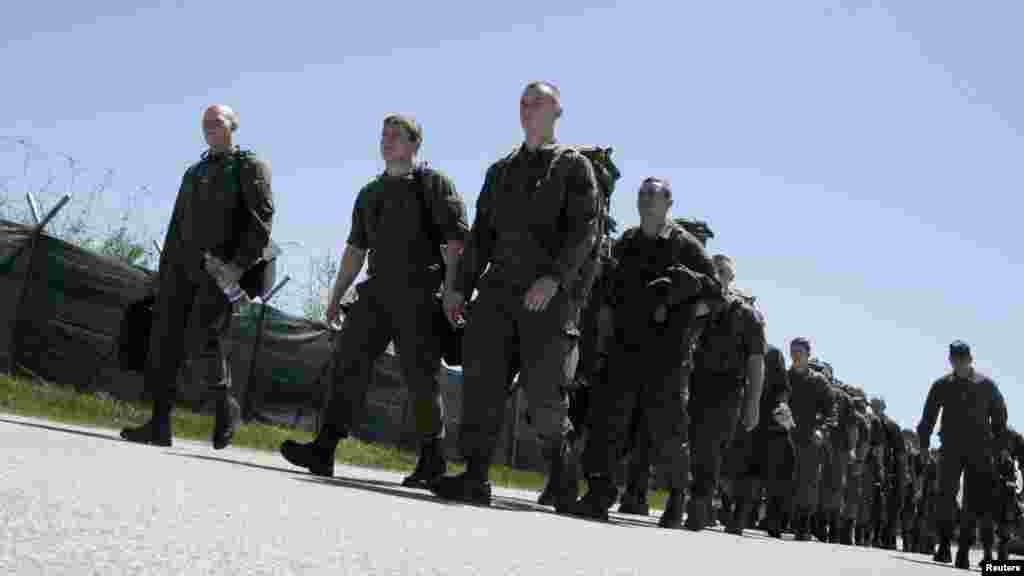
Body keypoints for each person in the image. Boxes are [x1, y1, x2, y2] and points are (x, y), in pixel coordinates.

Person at [430, 81, 599, 511]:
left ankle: (562, 477)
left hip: (546, 298)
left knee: (544, 394)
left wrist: (555, 279)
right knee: (482, 383)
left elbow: (584, 233)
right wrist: (457, 288)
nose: (526, 109)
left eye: (536, 102)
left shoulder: (574, 167)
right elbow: (481, 237)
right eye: (522, 103)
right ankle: (475, 476)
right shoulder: (501, 171)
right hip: (498, 292)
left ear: (557, 111)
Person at [279, 114, 468, 488]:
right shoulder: (370, 193)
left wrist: (450, 292)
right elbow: (355, 249)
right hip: (376, 292)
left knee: (420, 378)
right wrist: (335, 295)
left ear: (415, 144)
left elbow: (456, 245)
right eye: (384, 136)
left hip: (419, 293)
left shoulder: (433, 185)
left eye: (396, 136)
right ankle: (325, 448)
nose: (387, 141)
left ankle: (433, 459)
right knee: (347, 363)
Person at [121, 104, 275, 449]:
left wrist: (237, 267)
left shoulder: (249, 167)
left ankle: (225, 408)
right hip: (179, 269)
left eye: (217, 121)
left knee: (205, 338)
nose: (210, 127)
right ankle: (159, 425)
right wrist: (163, 274)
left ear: (234, 125)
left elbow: (261, 221)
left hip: (219, 271)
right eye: (205, 122)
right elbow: (177, 225)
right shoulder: (195, 172)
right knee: (165, 342)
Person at [687, 254, 765, 531]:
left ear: (731, 278)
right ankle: (698, 499)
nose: (717, 275)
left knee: (710, 445)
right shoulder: (696, 303)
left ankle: (700, 502)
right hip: (691, 381)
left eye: (722, 272)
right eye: (713, 271)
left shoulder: (747, 315)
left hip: (727, 389)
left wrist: (753, 403)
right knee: (690, 442)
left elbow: (756, 361)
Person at [916, 340, 1008, 569]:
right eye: (955, 359)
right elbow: (928, 416)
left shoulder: (986, 385)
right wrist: (924, 446)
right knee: (945, 495)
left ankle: (964, 550)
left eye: (962, 359)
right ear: (950, 360)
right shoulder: (942, 385)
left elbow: (1000, 418)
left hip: (980, 449)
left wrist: (998, 448)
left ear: (970, 359)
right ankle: (945, 545)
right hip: (951, 448)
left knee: (973, 500)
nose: (958, 363)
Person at [786, 337, 838, 541]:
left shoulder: (819, 381)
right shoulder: (785, 377)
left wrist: (822, 431)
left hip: (809, 437)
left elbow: (831, 412)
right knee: (784, 477)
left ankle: (803, 526)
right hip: (784, 434)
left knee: (807, 482)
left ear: (808, 354)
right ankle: (776, 520)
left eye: (800, 351)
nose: (796, 355)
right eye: (793, 351)